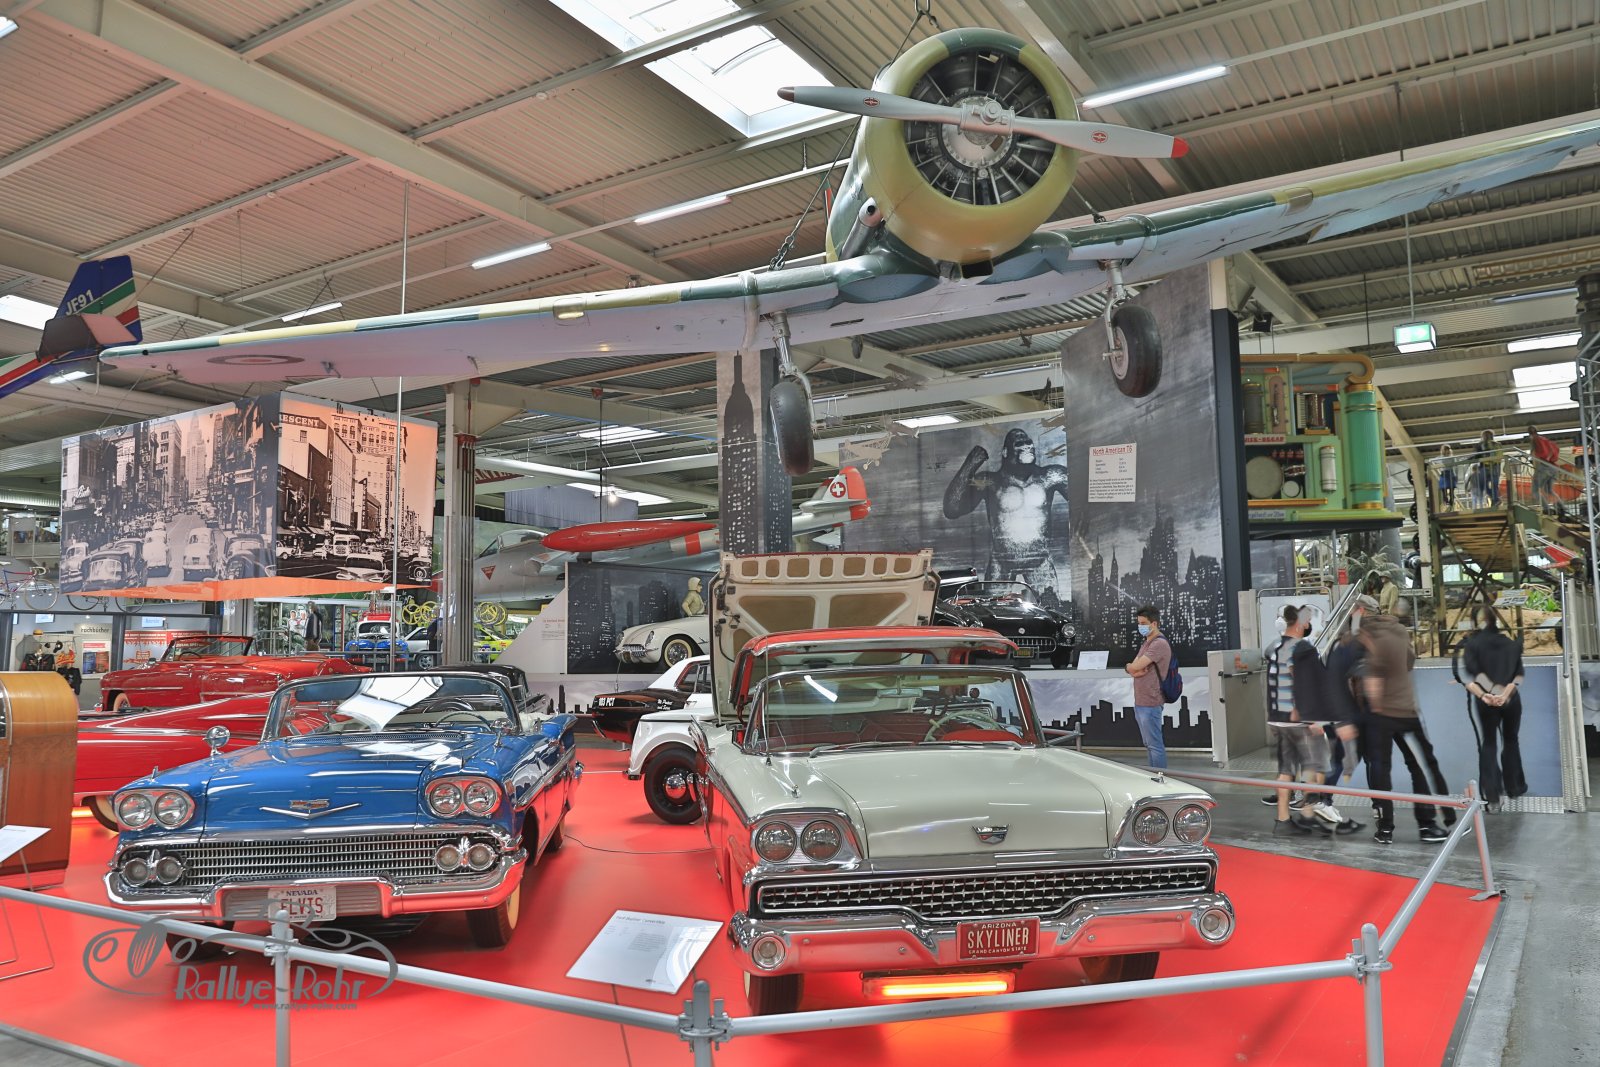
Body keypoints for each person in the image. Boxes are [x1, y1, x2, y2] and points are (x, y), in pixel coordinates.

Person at [1360, 605, 1452, 844]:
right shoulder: (1400, 631)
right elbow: (1410, 662)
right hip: (1407, 710)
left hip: (1379, 715)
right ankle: (1427, 824)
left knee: (1381, 769)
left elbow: (1371, 680)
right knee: (1418, 765)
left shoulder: (1365, 636)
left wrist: (1376, 708)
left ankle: (1385, 829)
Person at [943, 428, 1069, 603]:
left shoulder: (1050, 476)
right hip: (1001, 561)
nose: (1027, 447)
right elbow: (952, 509)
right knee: (992, 611)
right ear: (1005, 452)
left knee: (1051, 609)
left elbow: (1084, 497)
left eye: (1029, 443)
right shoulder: (991, 481)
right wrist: (970, 464)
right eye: (1020, 444)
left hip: (1039, 560)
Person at [1262, 606, 1327, 834]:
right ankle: (1309, 817)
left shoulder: (1276, 647)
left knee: (1286, 769)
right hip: (1298, 719)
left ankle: (1283, 820)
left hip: (1278, 718)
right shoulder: (1303, 649)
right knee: (1312, 767)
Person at [1460, 605, 1527, 809]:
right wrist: (1504, 694)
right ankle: (1515, 787)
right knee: (1511, 739)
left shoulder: (1472, 645)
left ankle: (1492, 795)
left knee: (1488, 743)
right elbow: (1518, 676)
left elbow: (1473, 675)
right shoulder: (1511, 644)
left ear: (1476, 621)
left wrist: (1488, 694)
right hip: (1511, 700)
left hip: (1486, 701)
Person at [1123, 605, 1172, 770]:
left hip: (1151, 701)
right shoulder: (1147, 643)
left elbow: (1136, 666)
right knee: (1149, 744)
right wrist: (1131, 668)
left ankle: (1160, 778)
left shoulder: (1158, 644)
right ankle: (1153, 776)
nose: (1140, 627)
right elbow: (1133, 667)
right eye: (1139, 623)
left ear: (1154, 623)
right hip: (1141, 701)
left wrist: (1131, 668)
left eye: (1143, 623)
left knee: (1155, 745)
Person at [1527, 424, 1559, 511]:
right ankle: (1562, 507)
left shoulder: (1535, 440)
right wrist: (1548, 458)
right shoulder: (1544, 439)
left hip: (1544, 466)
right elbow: (1551, 450)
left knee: (1535, 491)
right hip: (1553, 467)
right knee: (1548, 490)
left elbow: (1538, 453)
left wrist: (1544, 459)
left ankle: (1547, 509)